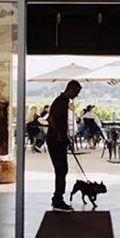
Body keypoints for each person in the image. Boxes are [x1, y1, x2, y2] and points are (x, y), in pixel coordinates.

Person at [46, 79, 81, 212]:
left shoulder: (63, 101)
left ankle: (58, 198)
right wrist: (59, 134)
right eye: (76, 92)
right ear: (70, 89)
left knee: (62, 170)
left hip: (58, 140)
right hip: (56, 141)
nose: (76, 96)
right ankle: (58, 200)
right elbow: (51, 119)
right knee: (61, 170)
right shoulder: (61, 101)